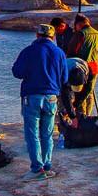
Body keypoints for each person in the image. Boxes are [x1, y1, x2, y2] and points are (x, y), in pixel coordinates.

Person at [11, 24, 68, 180]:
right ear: (53, 37)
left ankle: (37, 168)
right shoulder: (59, 53)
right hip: (51, 97)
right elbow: (64, 79)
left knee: (32, 134)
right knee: (47, 134)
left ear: (37, 35)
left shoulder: (28, 51)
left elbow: (17, 72)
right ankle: (47, 165)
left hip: (32, 96)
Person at [68, 15, 98, 115]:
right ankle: (88, 115)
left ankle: (80, 116)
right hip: (95, 66)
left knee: (79, 93)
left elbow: (72, 51)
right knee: (89, 92)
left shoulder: (80, 34)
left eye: (75, 25)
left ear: (79, 24)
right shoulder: (97, 33)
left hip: (82, 67)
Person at [60, 57, 90, 126]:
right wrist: (72, 116)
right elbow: (65, 96)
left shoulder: (87, 70)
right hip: (64, 71)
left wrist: (76, 105)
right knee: (64, 102)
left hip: (81, 65)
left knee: (80, 99)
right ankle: (64, 123)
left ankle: (81, 121)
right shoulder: (63, 75)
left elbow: (86, 90)